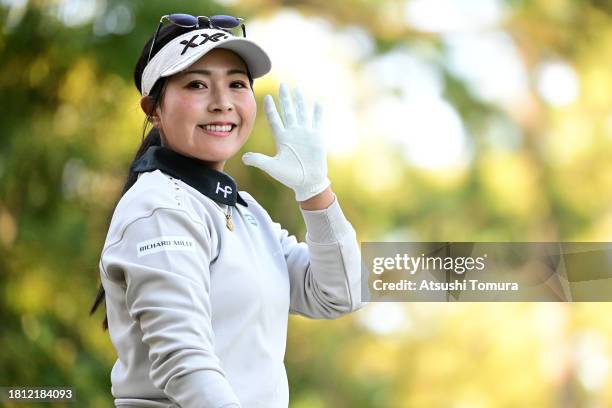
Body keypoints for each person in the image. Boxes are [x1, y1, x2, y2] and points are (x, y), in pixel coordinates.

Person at [90, 13, 365, 408]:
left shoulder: (243, 211)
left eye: (236, 84)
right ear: (153, 109)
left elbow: (341, 293)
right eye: (197, 84)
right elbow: (186, 365)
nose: (222, 103)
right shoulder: (157, 207)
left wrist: (316, 191)